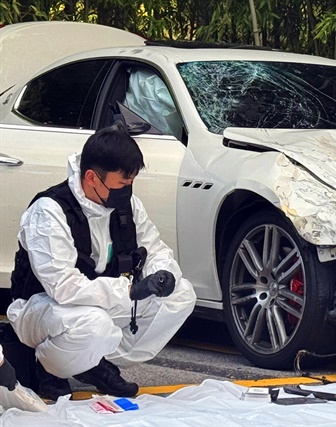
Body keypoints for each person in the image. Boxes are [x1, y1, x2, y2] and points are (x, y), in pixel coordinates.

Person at [7, 123, 196, 401]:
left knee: (181, 294)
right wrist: (130, 291)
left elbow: (154, 248)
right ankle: (48, 367)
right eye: (122, 184)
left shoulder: (126, 207)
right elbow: (63, 287)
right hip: (42, 309)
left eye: (131, 183)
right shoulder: (49, 211)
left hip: (99, 303)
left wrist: (162, 275)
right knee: (93, 324)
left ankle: (91, 363)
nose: (127, 192)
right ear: (92, 177)